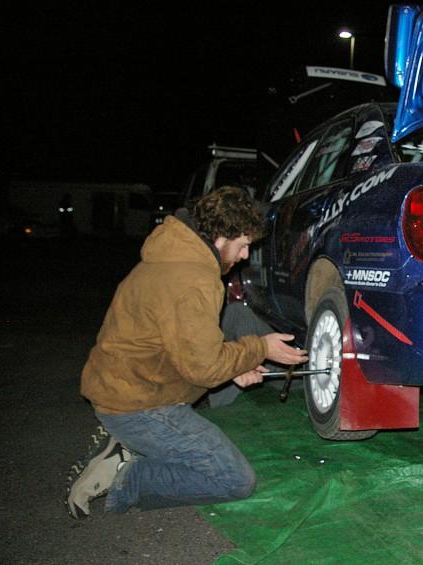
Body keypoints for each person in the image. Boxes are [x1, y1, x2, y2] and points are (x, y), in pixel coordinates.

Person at [66, 187, 308, 519]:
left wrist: (233, 366)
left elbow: (179, 343)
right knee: (235, 480)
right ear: (222, 236)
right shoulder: (193, 278)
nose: (245, 256)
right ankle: (126, 474)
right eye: (243, 245)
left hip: (130, 387)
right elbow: (203, 368)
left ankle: (130, 445)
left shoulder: (176, 257)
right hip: (140, 405)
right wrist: (260, 348)